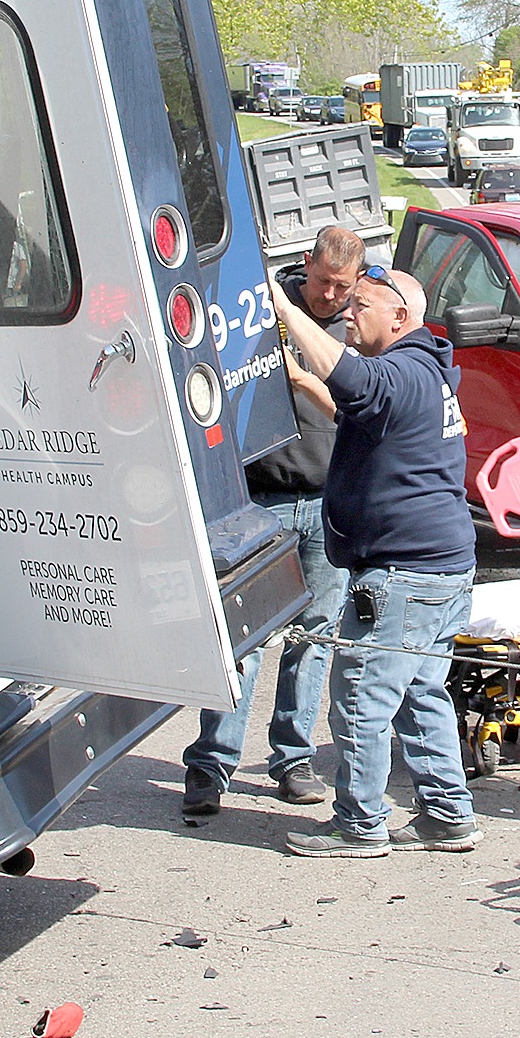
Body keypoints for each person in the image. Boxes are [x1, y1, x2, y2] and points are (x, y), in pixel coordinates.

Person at [268, 263, 479, 858]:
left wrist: (287, 312)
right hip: (441, 567)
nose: (349, 312)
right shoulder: (426, 371)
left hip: (404, 573)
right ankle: (447, 815)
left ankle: (360, 825)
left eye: (361, 304)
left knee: (362, 695)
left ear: (400, 316)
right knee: (422, 693)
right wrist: (309, 386)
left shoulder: (400, 370)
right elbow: (371, 419)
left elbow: (353, 379)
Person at [180, 226, 365, 818]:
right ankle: (211, 765)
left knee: (313, 638)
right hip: (264, 498)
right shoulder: (256, 311)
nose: (332, 295)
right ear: (305, 265)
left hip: (329, 503)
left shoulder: (360, 331)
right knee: (245, 639)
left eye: (343, 287)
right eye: (323, 282)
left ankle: (292, 760)